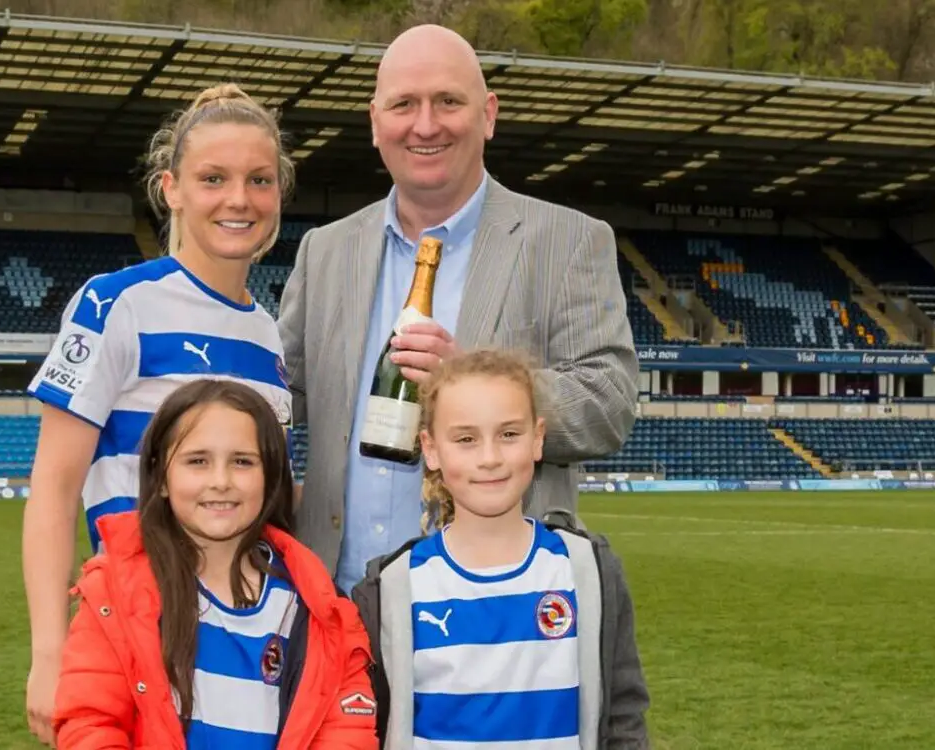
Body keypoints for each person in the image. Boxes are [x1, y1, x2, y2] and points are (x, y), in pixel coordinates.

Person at [276, 23, 639, 593]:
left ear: (488, 114)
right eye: (404, 105)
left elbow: (610, 403)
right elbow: (280, 398)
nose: (425, 124)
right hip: (336, 606)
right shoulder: (324, 250)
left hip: (494, 607)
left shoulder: (568, 241)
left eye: (448, 101)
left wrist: (476, 382)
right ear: (376, 123)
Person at [22, 83, 297, 745]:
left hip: (250, 648)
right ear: (171, 188)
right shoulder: (116, 302)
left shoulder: (270, 336)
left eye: (259, 180)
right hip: (136, 636)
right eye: (213, 178)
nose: (239, 199)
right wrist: (50, 652)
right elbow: (54, 490)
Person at [54, 378, 379, 749]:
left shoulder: (320, 609)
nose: (221, 481)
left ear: (269, 477)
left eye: (242, 462)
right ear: (161, 476)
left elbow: (345, 733)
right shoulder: (114, 592)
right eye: (198, 462)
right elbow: (90, 723)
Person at [349, 348, 650, 749]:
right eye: (466, 439)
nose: (490, 458)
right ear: (431, 448)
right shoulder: (391, 589)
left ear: (538, 439)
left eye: (509, 434)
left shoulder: (587, 571)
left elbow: (623, 716)